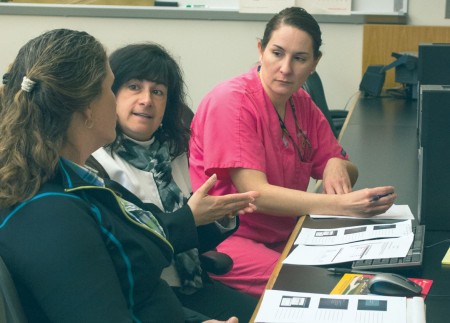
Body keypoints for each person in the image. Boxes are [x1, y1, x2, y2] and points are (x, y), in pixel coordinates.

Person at [0, 29, 256, 323]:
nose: (143, 100)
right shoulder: (49, 214)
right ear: (87, 108)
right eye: (113, 88)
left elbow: (139, 294)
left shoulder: (79, 184)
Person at [188, 7, 397, 297]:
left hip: (289, 234)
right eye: (277, 53)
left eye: (299, 58)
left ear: (314, 63)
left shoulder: (300, 102)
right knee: (323, 288)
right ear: (260, 50)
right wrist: (344, 205)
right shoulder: (231, 102)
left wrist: (336, 163)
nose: (286, 68)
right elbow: (255, 193)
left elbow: (348, 169)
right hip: (229, 240)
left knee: (365, 272)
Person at [91, 43, 259, 321]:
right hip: (146, 298)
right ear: (111, 94)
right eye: (134, 87)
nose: (147, 100)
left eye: (158, 92)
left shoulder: (174, 152)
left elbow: (190, 238)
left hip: (194, 286)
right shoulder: (97, 163)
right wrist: (190, 217)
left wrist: (220, 217)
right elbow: (133, 251)